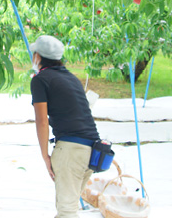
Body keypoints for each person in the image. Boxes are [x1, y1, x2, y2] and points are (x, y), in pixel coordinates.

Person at [30, 35, 101, 218]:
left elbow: (42, 121)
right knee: (67, 208)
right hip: (91, 150)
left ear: (37, 56)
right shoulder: (72, 78)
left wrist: (45, 155)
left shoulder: (40, 80)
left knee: (66, 212)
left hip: (71, 151)